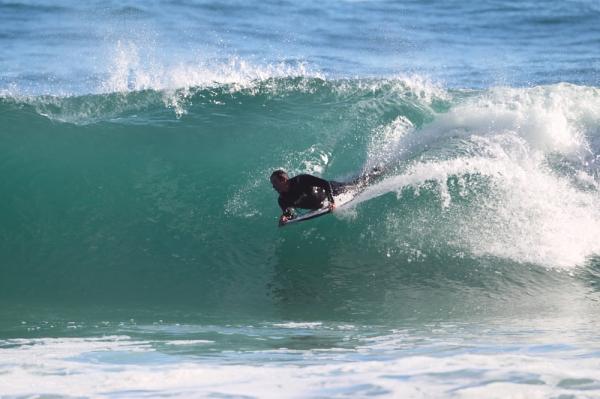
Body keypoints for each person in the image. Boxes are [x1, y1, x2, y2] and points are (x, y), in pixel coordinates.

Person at [270, 169, 365, 226]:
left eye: (275, 183)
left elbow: (325, 184)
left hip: (334, 190)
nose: (273, 187)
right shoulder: (282, 200)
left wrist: (332, 202)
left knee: (359, 184)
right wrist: (284, 218)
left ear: (283, 180)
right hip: (321, 202)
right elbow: (289, 215)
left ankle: (376, 171)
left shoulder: (301, 180)